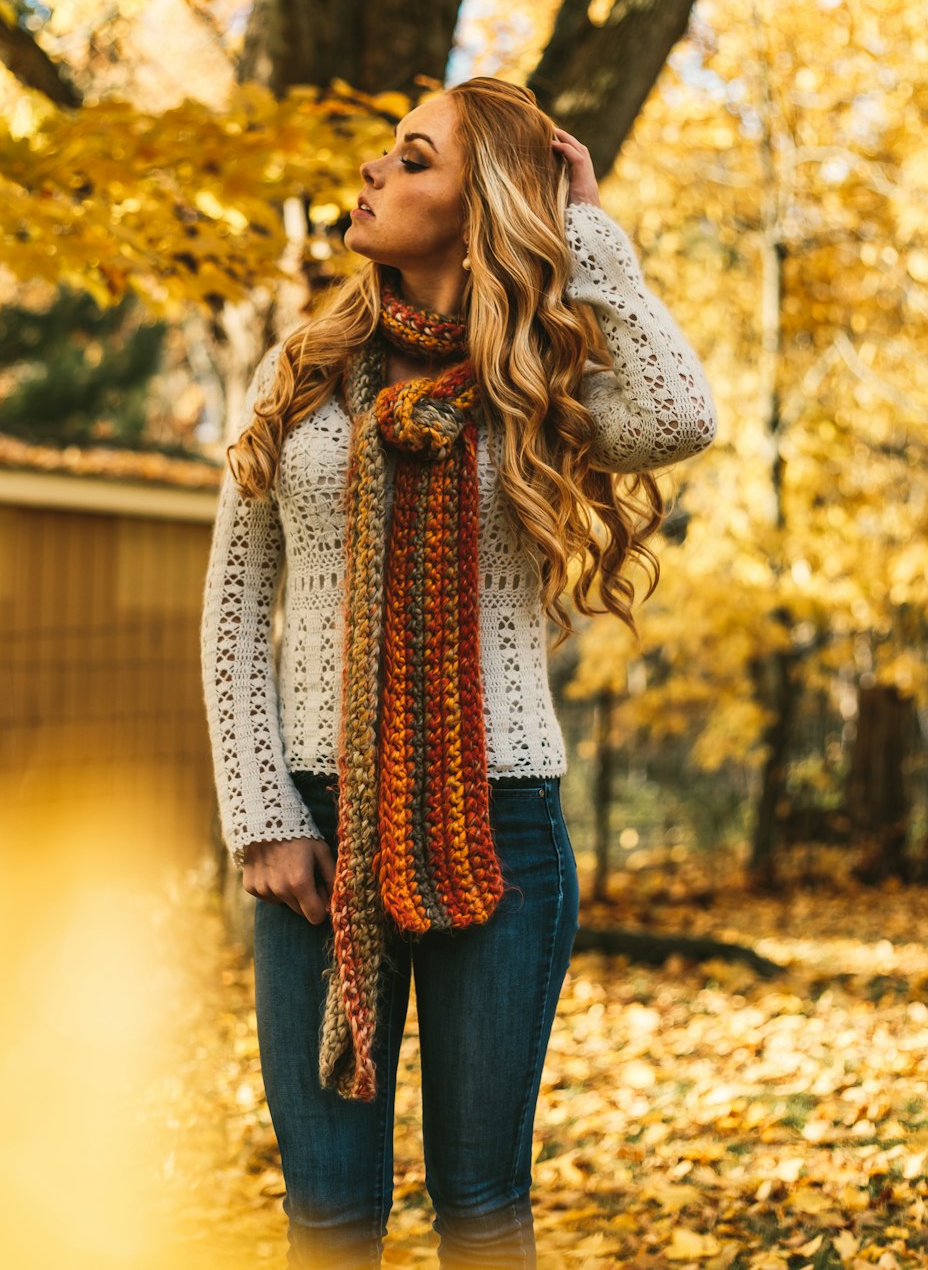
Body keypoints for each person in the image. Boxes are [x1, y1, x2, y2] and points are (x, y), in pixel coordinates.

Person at [200, 76, 717, 1270]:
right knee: (328, 1212)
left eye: (415, 159)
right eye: (387, 153)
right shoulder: (302, 371)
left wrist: (587, 228)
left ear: (477, 202)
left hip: (503, 822)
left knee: (481, 1205)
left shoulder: (541, 382)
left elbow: (679, 415)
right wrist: (261, 816)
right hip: (318, 832)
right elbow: (233, 612)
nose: (375, 173)